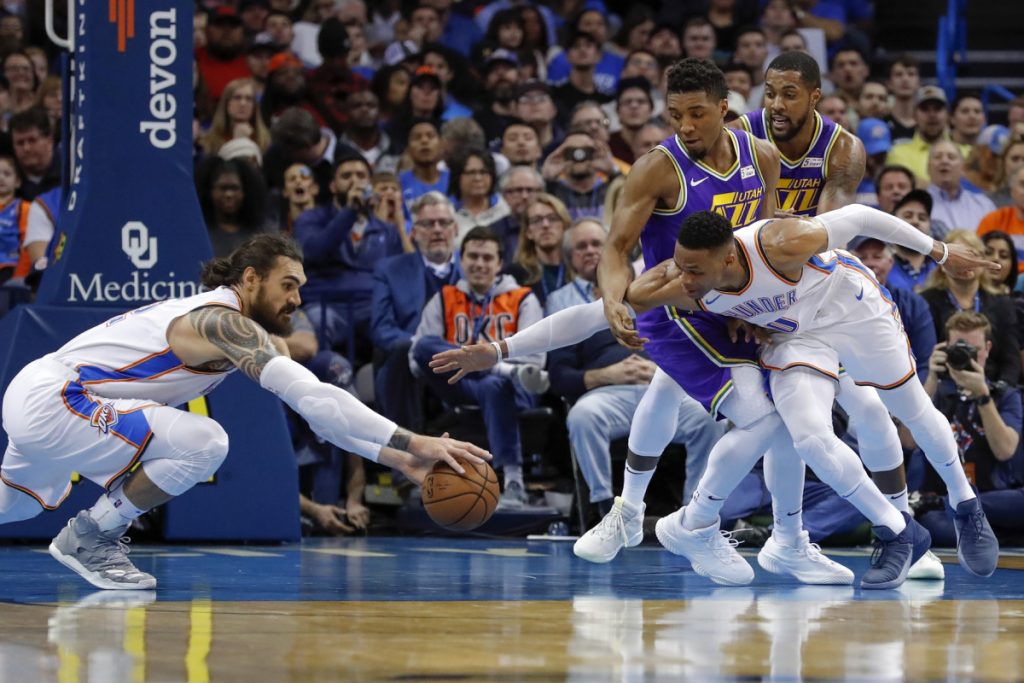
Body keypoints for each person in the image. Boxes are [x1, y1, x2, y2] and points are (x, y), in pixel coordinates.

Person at [0, 234, 489, 589]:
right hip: (59, 399)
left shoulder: (235, 324)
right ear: (250, 278)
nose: (297, 299)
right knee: (204, 442)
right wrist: (414, 440)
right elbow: (315, 397)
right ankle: (90, 536)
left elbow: (321, 417)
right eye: (288, 285)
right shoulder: (220, 322)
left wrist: (395, 458)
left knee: (13, 505)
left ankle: (88, 532)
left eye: (301, 288)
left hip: (46, 397)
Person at [632, 205, 1000, 583]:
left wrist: (939, 251)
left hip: (850, 307)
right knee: (808, 437)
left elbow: (861, 216)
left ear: (727, 257)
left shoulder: (780, 243)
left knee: (909, 407)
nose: (685, 279)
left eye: (694, 271)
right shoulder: (682, 285)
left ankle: (966, 506)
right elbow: (632, 297)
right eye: (680, 266)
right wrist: (630, 296)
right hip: (795, 336)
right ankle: (897, 532)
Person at [546, 219, 724, 512]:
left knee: (708, 417)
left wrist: (665, 371)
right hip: (608, 394)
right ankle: (604, 509)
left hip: (664, 385)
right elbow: (559, 376)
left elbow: (690, 344)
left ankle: (696, 512)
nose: (591, 252)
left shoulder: (656, 288)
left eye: (598, 245)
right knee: (582, 416)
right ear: (570, 260)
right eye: (581, 247)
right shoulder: (566, 303)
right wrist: (605, 375)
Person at [410, 226, 543, 509]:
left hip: (515, 387)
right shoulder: (445, 297)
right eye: (473, 256)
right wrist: (477, 365)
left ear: (499, 263)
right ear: (461, 258)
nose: (479, 264)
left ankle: (515, 481)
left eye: (487, 257)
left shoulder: (522, 298)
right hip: (460, 383)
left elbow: (534, 363)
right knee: (423, 345)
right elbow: (416, 357)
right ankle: (496, 369)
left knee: (496, 385)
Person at [917, 312, 1023, 546]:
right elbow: (906, 442)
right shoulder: (932, 395)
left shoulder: (1005, 395)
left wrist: (983, 396)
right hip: (944, 503)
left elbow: (1005, 451)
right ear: (944, 350)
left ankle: (968, 518)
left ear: (987, 349)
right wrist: (932, 379)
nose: (965, 356)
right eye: (958, 349)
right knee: (933, 524)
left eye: (972, 350)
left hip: (994, 499)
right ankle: (1000, 536)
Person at [372, 192, 461, 429]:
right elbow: (382, 329)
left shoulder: (475, 265)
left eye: (443, 223)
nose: (437, 229)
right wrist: (421, 346)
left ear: (456, 229)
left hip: (463, 354)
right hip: (409, 360)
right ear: (414, 232)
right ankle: (405, 454)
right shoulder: (390, 270)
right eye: (427, 224)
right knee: (402, 351)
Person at [919, 229, 1021, 387]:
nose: (964, 263)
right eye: (957, 258)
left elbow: (1011, 363)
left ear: (983, 262)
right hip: (942, 388)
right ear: (942, 265)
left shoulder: (1003, 304)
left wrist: (1001, 391)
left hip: (991, 388)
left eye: (971, 255)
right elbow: (922, 358)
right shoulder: (925, 302)